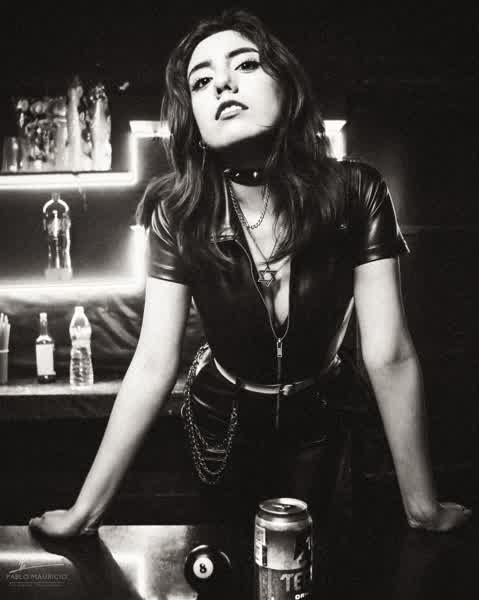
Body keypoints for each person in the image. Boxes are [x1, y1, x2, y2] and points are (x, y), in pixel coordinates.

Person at [29, 9, 471, 538]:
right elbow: (152, 363)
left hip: (325, 418)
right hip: (224, 422)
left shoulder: (357, 192)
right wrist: (85, 513)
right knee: (225, 559)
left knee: (326, 561)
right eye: (201, 80)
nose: (222, 83)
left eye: (245, 64)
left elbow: (389, 352)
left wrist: (422, 507)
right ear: (193, 118)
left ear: (287, 87)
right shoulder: (178, 213)